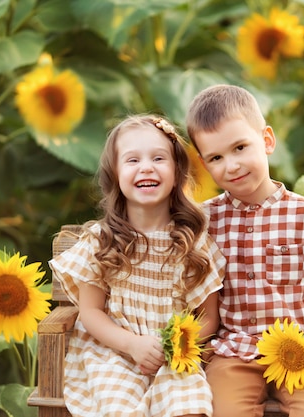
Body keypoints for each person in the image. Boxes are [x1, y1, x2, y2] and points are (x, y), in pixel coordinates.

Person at [185, 84, 304, 417]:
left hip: (299, 350)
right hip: (233, 352)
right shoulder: (206, 220)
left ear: (267, 141)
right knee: (225, 411)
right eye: (216, 158)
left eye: (240, 147)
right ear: (204, 164)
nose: (231, 165)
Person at [49, 114, 226, 417]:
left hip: (173, 357)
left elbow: (208, 318)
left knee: (189, 405)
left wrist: (173, 346)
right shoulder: (102, 241)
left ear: (176, 171)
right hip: (113, 353)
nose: (147, 167)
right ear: (114, 173)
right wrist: (132, 345)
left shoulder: (192, 244)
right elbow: (90, 312)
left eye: (159, 158)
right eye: (132, 161)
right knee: (118, 407)